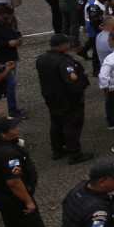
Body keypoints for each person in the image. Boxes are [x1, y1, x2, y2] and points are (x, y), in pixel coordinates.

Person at [35, 34, 93, 162]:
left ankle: (57, 150)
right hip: (66, 98)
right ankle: (75, 153)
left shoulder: (42, 58)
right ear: (61, 45)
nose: (69, 45)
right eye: (67, 43)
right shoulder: (64, 62)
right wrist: (80, 93)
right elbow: (72, 82)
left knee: (56, 123)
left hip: (50, 97)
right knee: (72, 124)